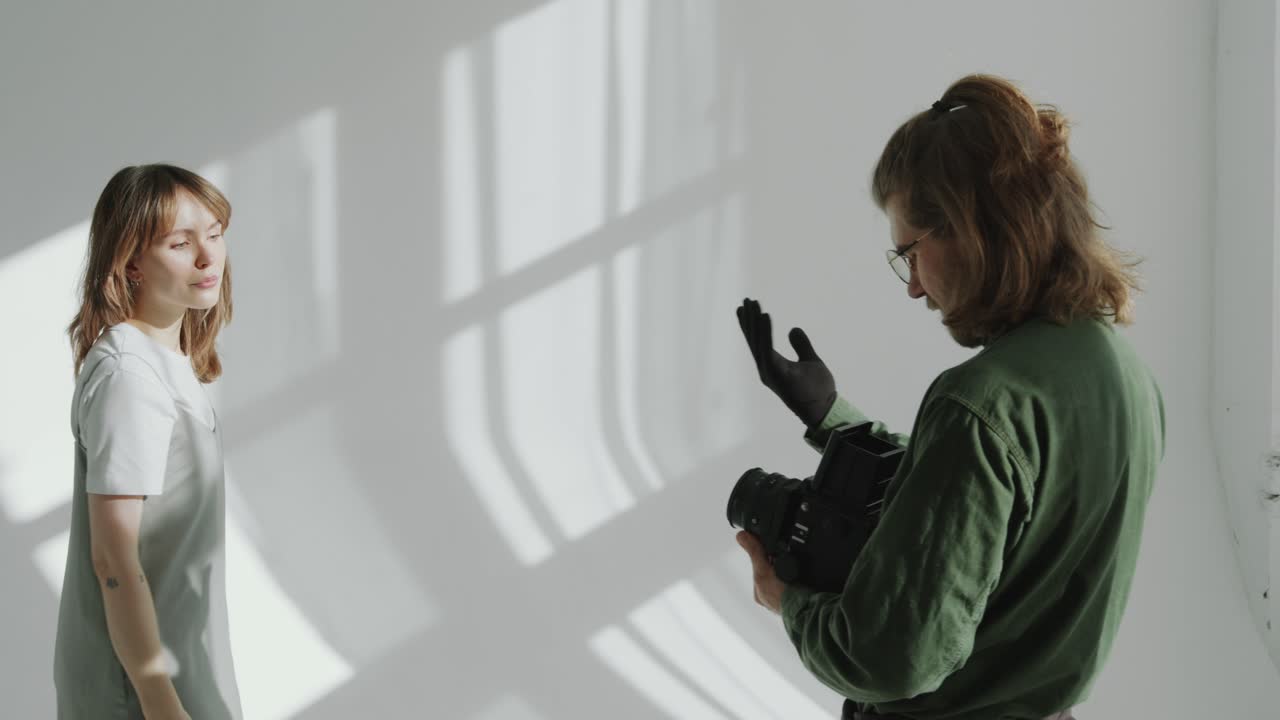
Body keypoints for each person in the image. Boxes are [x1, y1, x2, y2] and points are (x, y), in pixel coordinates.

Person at [735, 74, 1165, 720]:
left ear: (972, 226)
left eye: (910, 251)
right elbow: (984, 498)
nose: (913, 286)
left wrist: (787, 602)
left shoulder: (980, 402)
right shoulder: (1125, 373)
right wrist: (830, 415)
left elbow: (891, 657)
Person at [55, 164, 242, 719]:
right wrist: (161, 701)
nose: (208, 257)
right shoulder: (130, 379)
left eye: (214, 233)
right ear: (131, 261)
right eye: (181, 243)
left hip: (182, 662)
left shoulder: (163, 361)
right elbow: (113, 557)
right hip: (142, 687)